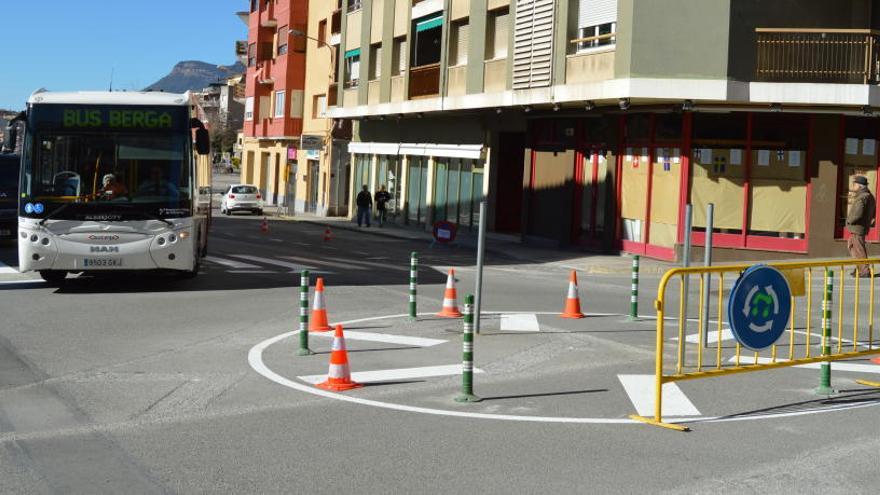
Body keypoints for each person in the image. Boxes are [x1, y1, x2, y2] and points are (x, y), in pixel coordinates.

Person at [846, 175, 876, 277]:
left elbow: (858, 213)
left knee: (859, 249)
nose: (853, 186)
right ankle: (860, 268)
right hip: (861, 227)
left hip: (858, 227)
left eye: (854, 184)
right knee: (852, 246)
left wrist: (849, 220)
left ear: (859, 186)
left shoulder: (862, 197)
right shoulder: (869, 196)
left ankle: (864, 271)